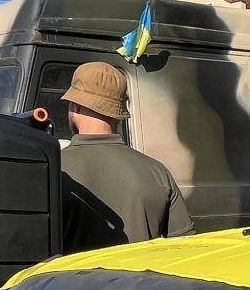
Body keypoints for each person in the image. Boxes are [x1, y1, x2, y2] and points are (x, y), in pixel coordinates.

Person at [59, 61, 190, 252]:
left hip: (69, 282)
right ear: (116, 113)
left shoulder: (52, 171)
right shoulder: (157, 172)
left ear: (75, 106)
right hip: (141, 281)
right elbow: (184, 247)